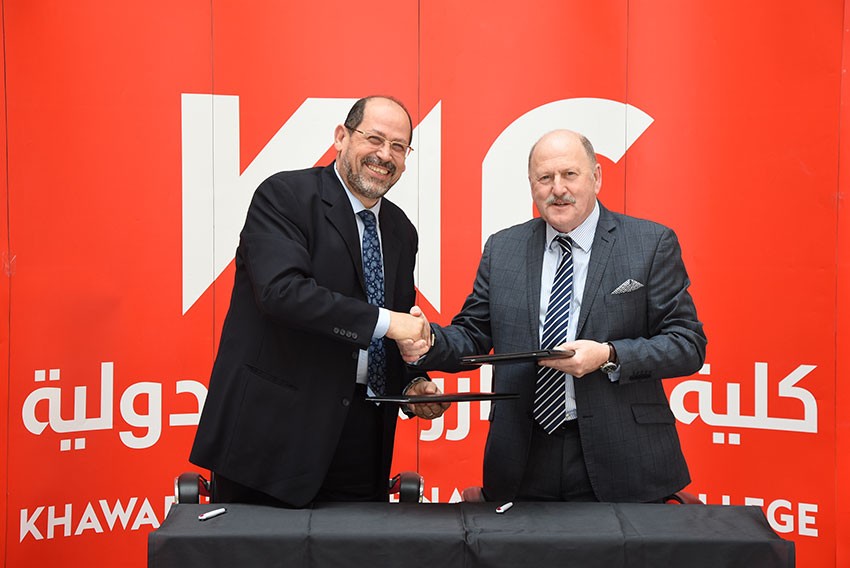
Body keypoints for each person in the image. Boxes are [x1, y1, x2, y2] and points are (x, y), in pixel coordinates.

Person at [400, 129, 707, 503]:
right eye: (545, 178)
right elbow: (472, 334)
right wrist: (427, 341)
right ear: (531, 185)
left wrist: (608, 355)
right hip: (522, 457)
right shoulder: (503, 248)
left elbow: (687, 344)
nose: (558, 189)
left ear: (596, 177)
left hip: (626, 456)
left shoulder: (650, 243)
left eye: (569, 174)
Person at [190, 96, 447, 508]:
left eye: (399, 146)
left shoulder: (401, 229)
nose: (385, 155)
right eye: (374, 139)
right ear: (341, 137)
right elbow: (281, 293)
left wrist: (412, 383)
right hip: (272, 439)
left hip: (363, 441)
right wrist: (388, 322)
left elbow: (392, 326)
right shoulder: (284, 196)